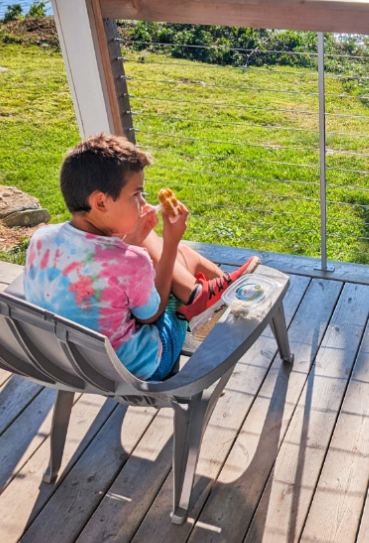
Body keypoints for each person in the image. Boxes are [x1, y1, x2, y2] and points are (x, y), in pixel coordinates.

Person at [23, 134, 258, 381]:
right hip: (138, 368)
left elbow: (99, 269)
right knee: (184, 257)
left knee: (170, 252)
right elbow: (151, 315)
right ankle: (211, 302)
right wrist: (170, 243)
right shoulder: (131, 262)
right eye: (136, 194)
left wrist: (133, 241)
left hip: (66, 361)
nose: (143, 202)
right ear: (100, 202)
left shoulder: (42, 239)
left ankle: (203, 297)